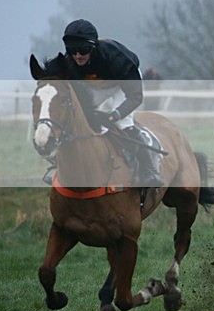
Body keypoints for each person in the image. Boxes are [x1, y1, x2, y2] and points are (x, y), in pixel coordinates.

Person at [61, 19, 164, 187]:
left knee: (123, 123)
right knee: (81, 119)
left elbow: (135, 96)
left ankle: (150, 170)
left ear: (93, 47)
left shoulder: (117, 58)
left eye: (83, 50)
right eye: (72, 50)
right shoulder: (70, 61)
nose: (78, 55)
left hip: (123, 82)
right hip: (97, 84)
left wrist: (115, 114)